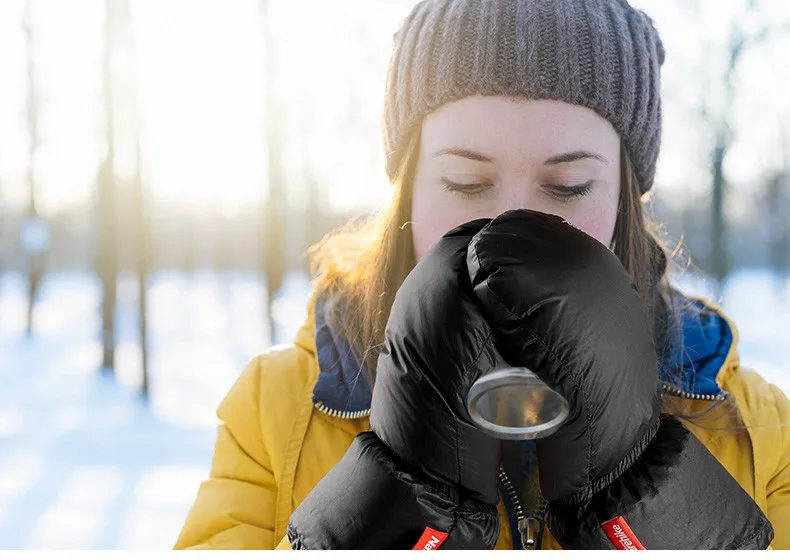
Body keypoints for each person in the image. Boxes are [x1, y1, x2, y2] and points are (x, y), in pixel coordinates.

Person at [174, 0, 789, 550]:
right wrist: (393, 504)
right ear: (408, 191)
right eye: (465, 183)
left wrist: (642, 502)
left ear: (626, 197)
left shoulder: (757, 427)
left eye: (568, 187)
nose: (508, 225)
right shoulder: (278, 410)